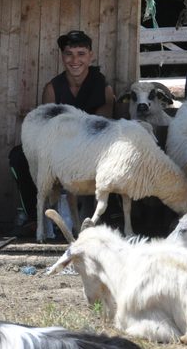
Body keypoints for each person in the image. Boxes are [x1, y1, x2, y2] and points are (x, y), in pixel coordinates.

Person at [9, 30, 116, 230]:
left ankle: (105, 218)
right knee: (19, 156)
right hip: (59, 149)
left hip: (92, 149)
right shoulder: (52, 88)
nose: (75, 60)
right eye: (69, 54)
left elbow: (102, 128)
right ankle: (35, 216)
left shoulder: (103, 87)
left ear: (90, 56)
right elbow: (45, 130)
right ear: (62, 56)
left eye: (81, 54)